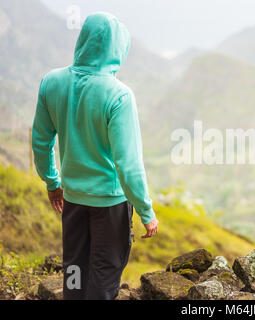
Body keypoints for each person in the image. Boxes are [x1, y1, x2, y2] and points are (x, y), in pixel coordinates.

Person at [32, 12, 158, 300]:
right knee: (104, 272)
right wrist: (145, 210)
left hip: (73, 200)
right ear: (118, 49)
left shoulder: (51, 83)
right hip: (110, 206)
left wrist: (52, 181)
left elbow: (41, 141)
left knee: (74, 270)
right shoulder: (119, 96)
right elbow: (128, 164)